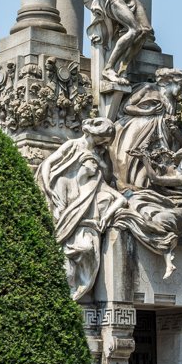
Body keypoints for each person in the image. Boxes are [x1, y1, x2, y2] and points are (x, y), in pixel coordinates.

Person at [36, 118, 127, 301]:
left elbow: (110, 182)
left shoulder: (99, 162)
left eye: (106, 141)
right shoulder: (73, 146)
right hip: (67, 206)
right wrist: (47, 187)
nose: (103, 143)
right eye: (101, 139)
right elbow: (47, 164)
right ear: (93, 133)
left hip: (86, 217)